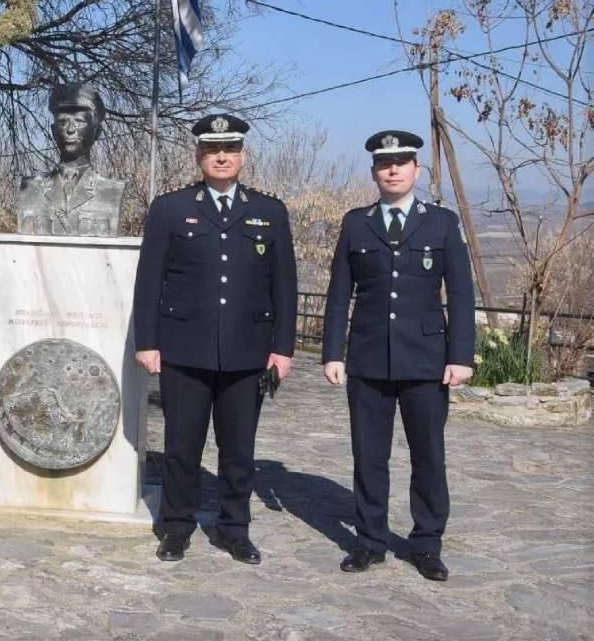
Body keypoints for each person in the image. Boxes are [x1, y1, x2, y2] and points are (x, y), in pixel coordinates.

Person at [132, 113, 297, 564]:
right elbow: (149, 282)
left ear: (242, 156)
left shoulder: (269, 211)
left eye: (229, 150)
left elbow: (284, 285)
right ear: (199, 155)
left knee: (239, 449)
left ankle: (234, 528)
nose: (221, 157)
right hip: (185, 350)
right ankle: (176, 526)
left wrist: (283, 348)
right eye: (211, 150)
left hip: (247, 353)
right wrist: (146, 342)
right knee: (182, 447)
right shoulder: (170, 208)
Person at [322, 130, 475, 582]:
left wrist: (461, 354)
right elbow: (338, 295)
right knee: (369, 456)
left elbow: (461, 295)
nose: (393, 169)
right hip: (368, 360)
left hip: (427, 361)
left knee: (428, 455)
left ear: (416, 170)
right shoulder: (356, 223)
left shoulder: (442, 223)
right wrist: (333, 352)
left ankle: (426, 543)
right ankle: (369, 541)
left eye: (402, 162)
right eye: (385, 163)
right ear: (374, 172)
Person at [18, 83, 125, 236]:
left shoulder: (112, 191)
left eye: (79, 122)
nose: (70, 129)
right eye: (62, 122)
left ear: (97, 132)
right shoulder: (30, 188)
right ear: (54, 132)